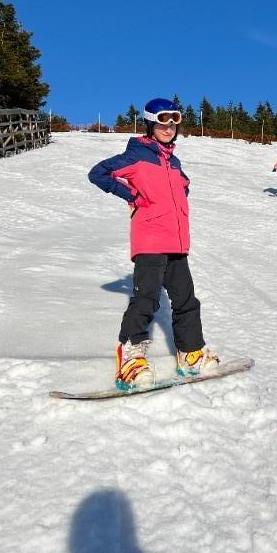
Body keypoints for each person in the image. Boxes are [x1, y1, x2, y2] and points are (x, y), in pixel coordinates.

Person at [88, 97, 219, 389]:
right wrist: (132, 196)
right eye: (162, 121)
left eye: (173, 122)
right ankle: (130, 358)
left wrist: (181, 191)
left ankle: (191, 354)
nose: (169, 127)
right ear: (150, 123)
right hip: (150, 239)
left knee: (186, 300)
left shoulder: (174, 162)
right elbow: (98, 173)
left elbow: (183, 184)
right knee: (147, 298)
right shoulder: (136, 155)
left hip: (176, 241)